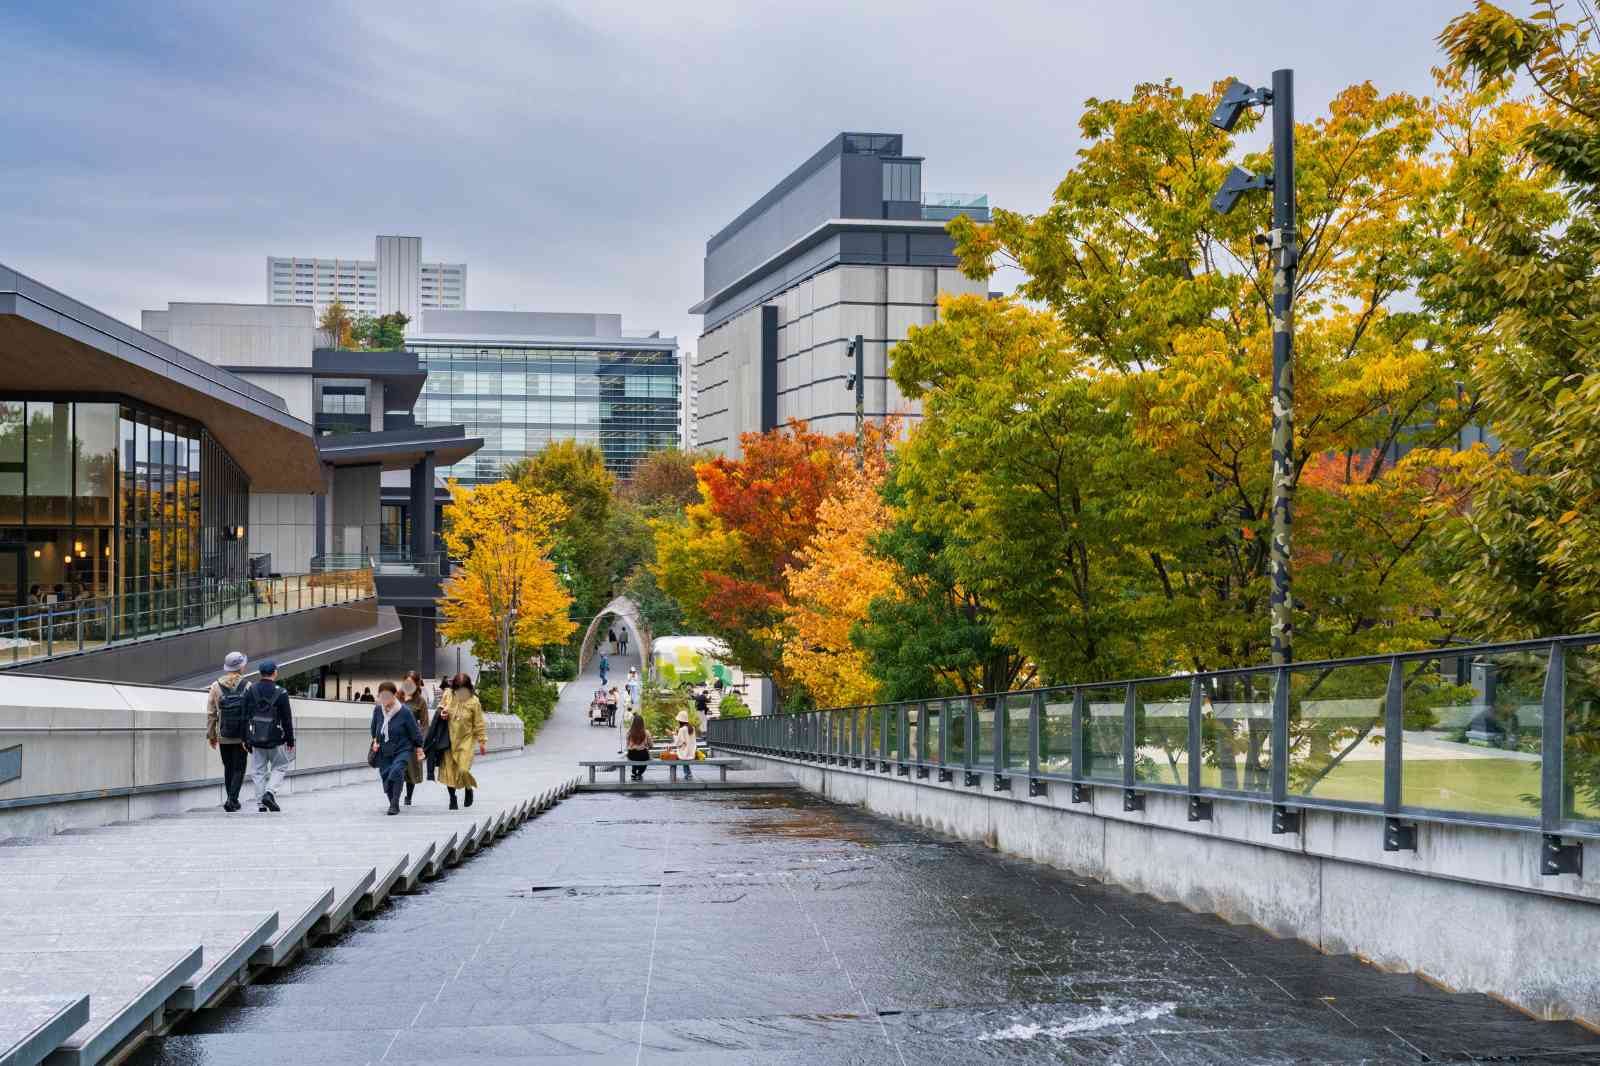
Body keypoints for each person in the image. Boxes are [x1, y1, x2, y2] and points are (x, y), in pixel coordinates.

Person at [244, 659, 295, 812]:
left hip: (256, 738)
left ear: (260, 673)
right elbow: (287, 718)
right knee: (280, 766)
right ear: (274, 673)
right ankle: (269, 793)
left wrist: (245, 738)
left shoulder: (251, 690)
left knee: (258, 771)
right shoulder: (281, 692)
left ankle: (261, 804)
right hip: (275, 738)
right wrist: (290, 739)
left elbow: (244, 716)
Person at [206, 651, 251, 812]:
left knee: (228, 767)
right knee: (240, 767)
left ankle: (231, 799)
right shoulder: (247, 685)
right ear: (241, 666)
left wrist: (211, 735)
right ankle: (232, 800)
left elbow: (212, 713)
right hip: (241, 736)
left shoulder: (215, 686)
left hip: (223, 734)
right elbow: (251, 712)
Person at [370, 681, 424, 815]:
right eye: (382, 696)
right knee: (386, 776)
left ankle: (394, 804)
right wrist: (375, 741)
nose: (384, 699)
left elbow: (414, 732)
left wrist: (418, 747)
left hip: (402, 749)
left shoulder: (404, 711)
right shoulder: (378, 710)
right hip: (384, 749)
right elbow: (374, 728)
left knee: (396, 771)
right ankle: (392, 801)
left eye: (387, 696)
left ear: (394, 696)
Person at [436, 672, 487, 810]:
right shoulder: (448, 695)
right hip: (448, 739)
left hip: (466, 739)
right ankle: (452, 798)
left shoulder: (474, 702)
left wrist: (482, 741)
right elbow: (440, 708)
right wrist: (443, 713)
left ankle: (468, 788)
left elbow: (479, 723)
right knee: (449, 771)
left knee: (463, 769)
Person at [400, 670, 431, 805]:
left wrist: (420, 743)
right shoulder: (397, 697)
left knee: (410, 770)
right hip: (397, 739)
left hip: (412, 740)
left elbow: (425, 724)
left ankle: (408, 796)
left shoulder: (420, 701)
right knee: (397, 769)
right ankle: (395, 796)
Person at [625, 713, 652, 781]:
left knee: (634, 757)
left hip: (632, 754)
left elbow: (627, 745)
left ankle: (634, 772)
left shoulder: (629, 732)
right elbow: (651, 745)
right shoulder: (646, 732)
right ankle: (639, 773)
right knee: (644, 759)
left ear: (633, 723)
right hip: (643, 755)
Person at [673, 709, 698, 780]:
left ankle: (686, 774)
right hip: (692, 751)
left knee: (675, 757)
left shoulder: (682, 729)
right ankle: (688, 773)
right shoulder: (692, 728)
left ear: (680, 720)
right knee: (684, 755)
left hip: (684, 752)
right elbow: (690, 740)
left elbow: (678, 742)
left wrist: (674, 734)